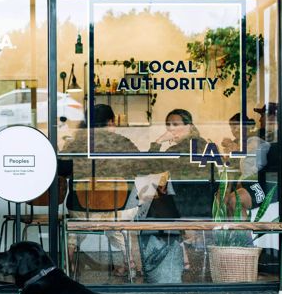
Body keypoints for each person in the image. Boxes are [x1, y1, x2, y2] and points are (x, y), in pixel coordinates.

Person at [62, 104, 140, 278]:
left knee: (75, 226)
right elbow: (140, 167)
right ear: (111, 122)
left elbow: (61, 170)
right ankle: (129, 263)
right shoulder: (124, 143)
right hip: (119, 212)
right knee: (120, 221)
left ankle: (68, 262)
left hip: (82, 211)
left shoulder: (76, 144)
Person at [143, 109, 209, 275]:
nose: (170, 129)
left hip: (184, 206)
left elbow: (147, 166)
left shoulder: (178, 150)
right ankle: (182, 250)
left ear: (189, 126)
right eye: (168, 125)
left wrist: (158, 142)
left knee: (148, 195)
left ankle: (134, 257)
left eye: (175, 124)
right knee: (154, 193)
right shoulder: (203, 143)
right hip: (203, 205)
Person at [221, 113, 271, 218]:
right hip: (242, 183)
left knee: (235, 201)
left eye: (236, 126)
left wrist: (235, 149)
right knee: (223, 200)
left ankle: (243, 233)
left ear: (246, 126)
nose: (234, 130)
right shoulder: (237, 143)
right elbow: (232, 167)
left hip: (257, 184)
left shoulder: (255, 140)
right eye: (231, 128)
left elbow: (251, 158)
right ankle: (231, 233)